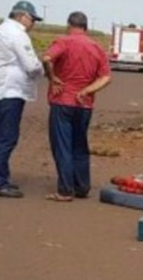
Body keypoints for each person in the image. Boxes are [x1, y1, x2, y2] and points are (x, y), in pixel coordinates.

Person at [42, 11, 112, 201]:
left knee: (62, 146)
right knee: (80, 145)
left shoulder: (64, 42)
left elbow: (47, 58)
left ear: (69, 25)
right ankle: (82, 186)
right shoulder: (96, 47)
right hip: (84, 104)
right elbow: (106, 77)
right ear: (85, 27)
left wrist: (52, 77)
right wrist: (87, 90)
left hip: (62, 100)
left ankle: (65, 189)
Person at [0, 0, 45, 198]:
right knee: (6, 137)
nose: (33, 23)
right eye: (32, 19)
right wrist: (43, 71)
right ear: (22, 16)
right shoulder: (18, 34)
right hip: (10, 90)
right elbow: (31, 65)